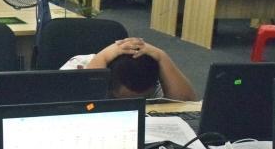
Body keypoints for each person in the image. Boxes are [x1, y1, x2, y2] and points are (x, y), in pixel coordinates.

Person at [60, 37, 197, 101]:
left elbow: (185, 103)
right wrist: (102, 58)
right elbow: (73, 107)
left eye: (141, 99)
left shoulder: (151, 74)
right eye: (123, 99)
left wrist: (162, 56)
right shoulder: (78, 65)